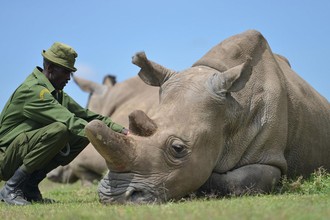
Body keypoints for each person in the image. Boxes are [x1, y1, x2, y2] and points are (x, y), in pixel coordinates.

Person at [0, 42, 129, 205]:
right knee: (61, 129)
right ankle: (11, 188)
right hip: (4, 158)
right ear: (51, 68)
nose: (69, 78)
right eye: (66, 72)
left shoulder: (57, 94)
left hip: (18, 153)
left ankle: (29, 187)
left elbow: (88, 117)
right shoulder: (33, 91)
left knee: (84, 134)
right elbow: (69, 121)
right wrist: (110, 141)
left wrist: (123, 131)